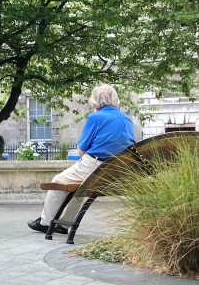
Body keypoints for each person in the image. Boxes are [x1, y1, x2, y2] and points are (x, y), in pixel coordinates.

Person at [28, 84, 135, 233]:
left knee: (57, 181)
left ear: (96, 100)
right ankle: (64, 224)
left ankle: (46, 222)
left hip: (94, 165)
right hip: (116, 170)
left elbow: (80, 151)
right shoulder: (126, 119)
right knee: (79, 189)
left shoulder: (95, 117)